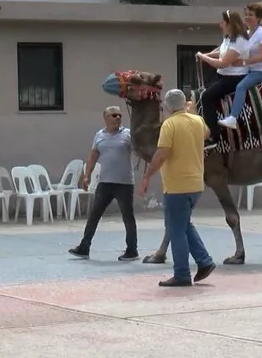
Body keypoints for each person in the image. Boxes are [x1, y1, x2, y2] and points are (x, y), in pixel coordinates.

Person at [138, 89, 216, 287]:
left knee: (176, 230)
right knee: (184, 225)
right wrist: (194, 112)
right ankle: (204, 261)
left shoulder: (169, 124)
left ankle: (182, 273)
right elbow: (207, 133)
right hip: (195, 184)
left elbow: (162, 153)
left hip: (177, 186)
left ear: (167, 106)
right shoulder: (197, 121)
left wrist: (147, 176)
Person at [68, 106, 139, 261]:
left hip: (124, 183)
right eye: (114, 115)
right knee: (94, 216)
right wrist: (86, 175)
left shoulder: (127, 134)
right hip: (105, 183)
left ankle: (132, 250)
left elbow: (138, 149)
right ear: (106, 118)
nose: (118, 118)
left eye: (120, 115)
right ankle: (84, 247)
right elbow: (93, 155)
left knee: (128, 217)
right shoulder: (99, 135)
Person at [196, 10, 251, 149]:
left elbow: (222, 63)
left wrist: (203, 57)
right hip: (223, 76)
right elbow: (221, 51)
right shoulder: (229, 37)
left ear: (229, 24)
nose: (220, 25)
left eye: (222, 22)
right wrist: (206, 54)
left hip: (234, 78)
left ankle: (213, 137)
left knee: (207, 97)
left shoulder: (240, 41)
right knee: (203, 92)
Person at [217, 1, 262, 130]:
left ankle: (233, 118)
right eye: (246, 14)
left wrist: (243, 62)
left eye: (251, 15)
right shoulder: (247, 33)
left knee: (241, 87)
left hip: (260, 71)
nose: (247, 17)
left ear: (258, 18)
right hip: (247, 70)